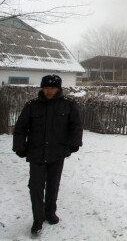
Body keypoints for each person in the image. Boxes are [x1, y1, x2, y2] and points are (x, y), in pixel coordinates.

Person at [12, 74, 83, 235]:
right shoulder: (32, 106)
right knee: (36, 186)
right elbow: (21, 128)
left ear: (58, 89)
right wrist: (20, 146)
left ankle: (50, 212)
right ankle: (37, 218)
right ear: (42, 88)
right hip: (36, 152)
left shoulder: (68, 105)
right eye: (46, 88)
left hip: (57, 152)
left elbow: (76, 126)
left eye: (52, 88)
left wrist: (74, 143)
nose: (49, 91)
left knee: (53, 185)